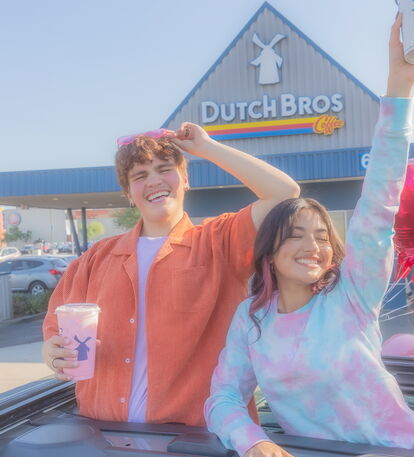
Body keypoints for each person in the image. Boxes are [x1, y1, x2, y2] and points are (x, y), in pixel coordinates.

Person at [204, 11, 414, 457]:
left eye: (321, 236)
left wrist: (400, 86)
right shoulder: (251, 319)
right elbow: (224, 397)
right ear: (269, 250)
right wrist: (251, 440)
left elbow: (379, 201)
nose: (311, 245)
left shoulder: (352, 293)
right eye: (295, 234)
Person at [42, 121, 300, 425]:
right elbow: (55, 331)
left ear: (185, 178)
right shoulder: (95, 259)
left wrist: (207, 148)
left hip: (197, 447)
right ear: (128, 193)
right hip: (102, 441)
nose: (154, 181)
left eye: (165, 169)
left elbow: (285, 194)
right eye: (140, 176)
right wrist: (52, 352)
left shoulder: (220, 241)